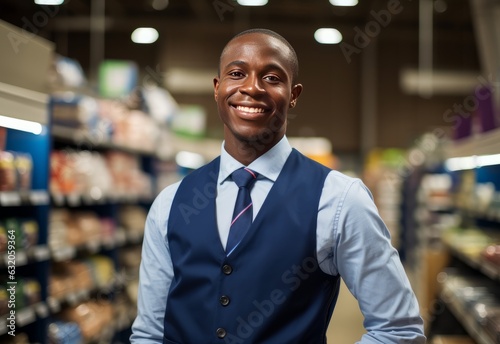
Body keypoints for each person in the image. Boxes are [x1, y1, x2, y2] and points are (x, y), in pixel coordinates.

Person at [130, 28, 426, 343]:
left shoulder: (339, 199)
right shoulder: (170, 203)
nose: (252, 88)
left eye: (272, 78)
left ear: (294, 95)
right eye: (237, 73)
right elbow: (149, 332)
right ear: (218, 88)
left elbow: (399, 330)